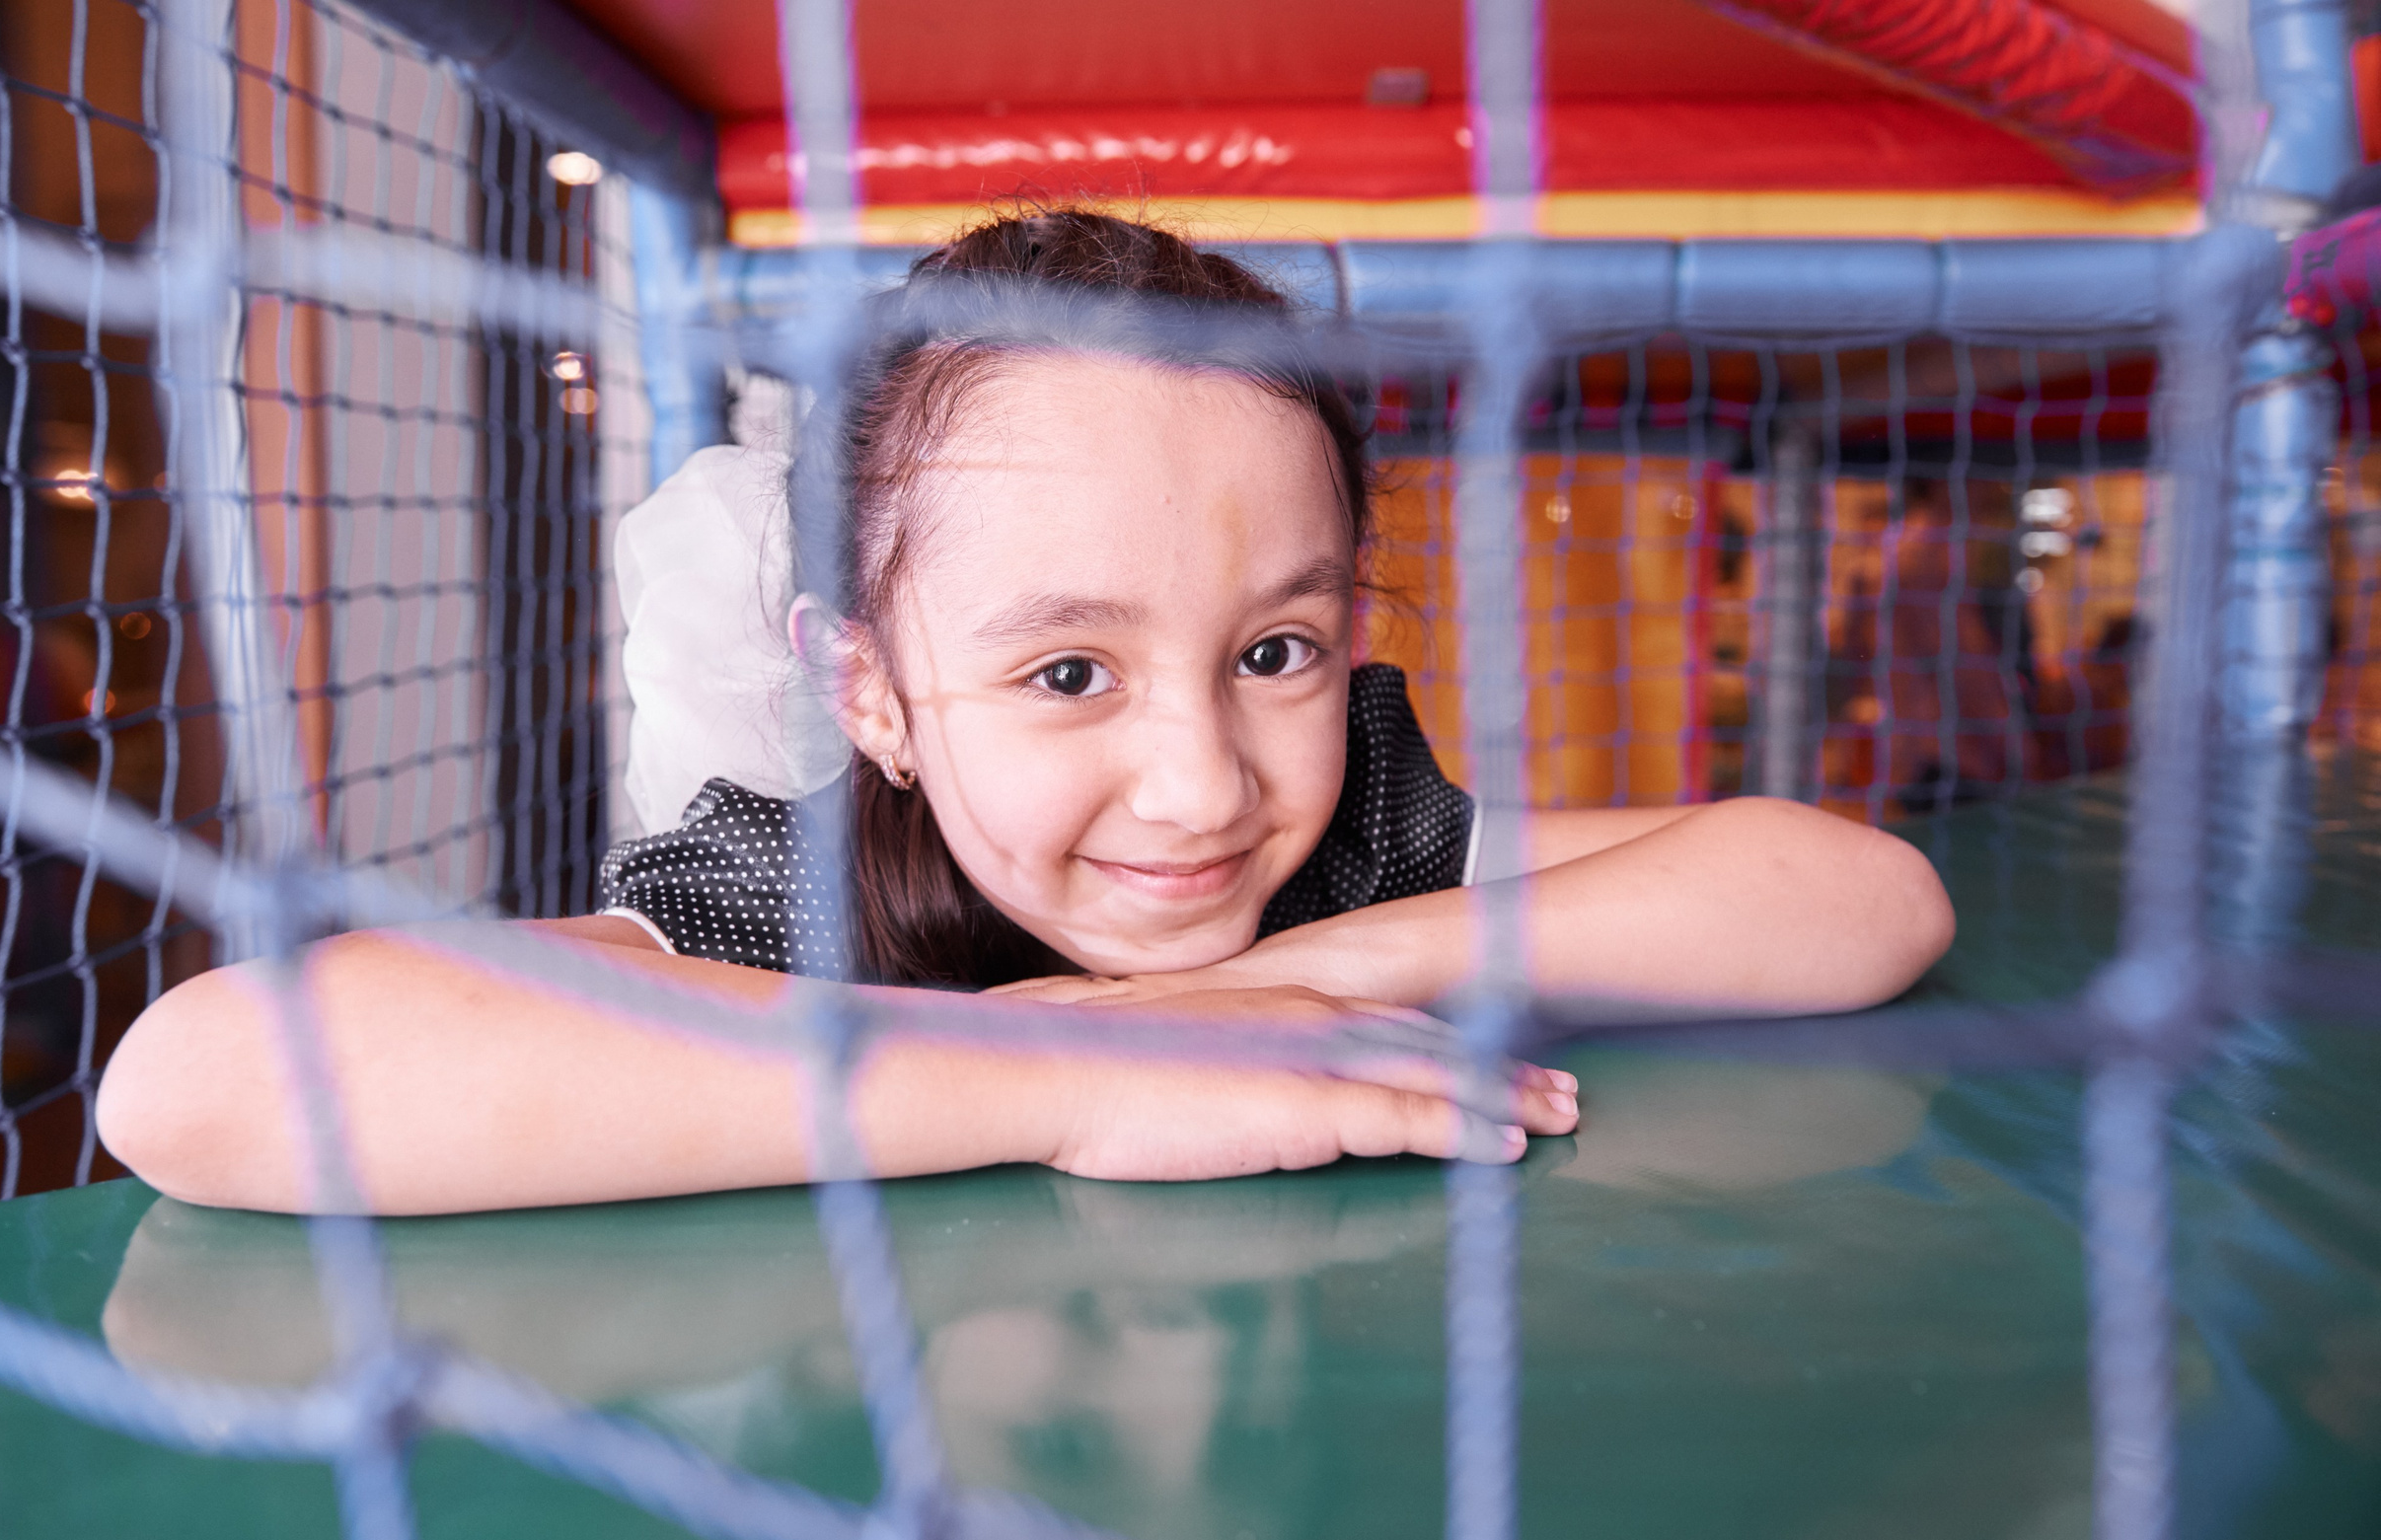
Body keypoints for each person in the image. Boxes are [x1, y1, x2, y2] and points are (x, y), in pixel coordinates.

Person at [97, 210, 1954, 1215]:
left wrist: (1256, 995)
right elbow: (206, 1083)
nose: (1200, 781)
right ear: (875, 697)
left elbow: (1864, 900)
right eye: (1069, 673)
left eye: (1274, 651)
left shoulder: (1359, 828)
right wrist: (1074, 1065)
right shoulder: (806, 886)